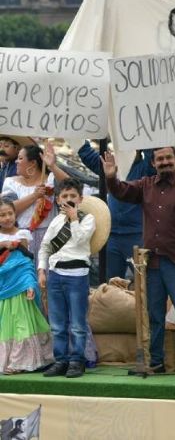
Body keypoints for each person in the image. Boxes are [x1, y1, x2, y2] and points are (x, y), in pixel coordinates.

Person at [104, 148, 175, 373]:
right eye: (160, 159)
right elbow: (121, 192)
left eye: (169, 158)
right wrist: (111, 176)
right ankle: (157, 361)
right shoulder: (145, 185)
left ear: (174, 160)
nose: (165, 162)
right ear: (153, 162)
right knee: (154, 316)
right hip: (152, 263)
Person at [37, 179, 96, 379]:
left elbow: (80, 239)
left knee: (78, 324)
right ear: (57, 200)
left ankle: (76, 360)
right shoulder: (55, 221)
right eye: (65, 196)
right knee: (57, 323)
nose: (69, 199)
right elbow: (45, 247)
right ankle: (60, 360)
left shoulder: (87, 219)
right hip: (55, 275)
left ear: (80, 199)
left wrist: (73, 219)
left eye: (73, 196)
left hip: (77, 276)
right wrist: (41, 270)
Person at [77, 142, 155, 281]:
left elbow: (152, 152)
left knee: (145, 283)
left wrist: (142, 139)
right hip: (112, 236)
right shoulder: (111, 167)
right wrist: (79, 140)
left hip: (137, 236)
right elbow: (88, 156)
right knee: (112, 284)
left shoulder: (146, 169)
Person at [0, 199, 53, 374]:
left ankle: (18, 363)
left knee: (21, 326)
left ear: (16, 214)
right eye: (2, 215)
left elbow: (24, 263)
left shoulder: (23, 234)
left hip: (21, 290)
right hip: (3, 290)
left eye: (10, 213)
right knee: (5, 328)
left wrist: (30, 284)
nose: (7, 218)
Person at [1, 144, 60, 259]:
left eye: (20, 158)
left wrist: (52, 166)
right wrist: (34, 196)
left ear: (32, 163)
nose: (17, 162)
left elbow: (71, 186)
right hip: (19, 238)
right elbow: (9, 208)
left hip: (48, 237)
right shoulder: (10, 182)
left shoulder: (51, 180)